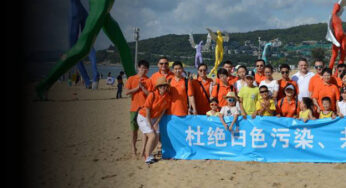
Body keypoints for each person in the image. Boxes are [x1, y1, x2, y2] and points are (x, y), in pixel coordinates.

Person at [137, 77, 171, 164]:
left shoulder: (167, 97)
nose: (163, 87)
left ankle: (148, 154)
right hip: (144, 117)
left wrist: (156, 122)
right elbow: (147, 110)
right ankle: (147, 157)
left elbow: (162, 111)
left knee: (156, 137)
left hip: (155, 118)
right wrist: (150, 124)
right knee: (152, 135)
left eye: (164, 86)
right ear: (158, 87)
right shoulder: (152, 94)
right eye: (161, 86)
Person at [125, 60, 151, 157]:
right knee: (133, 130)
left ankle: (143, 149)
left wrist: (143, 88)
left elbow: (150, 95)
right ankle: (133, 148)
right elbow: (126, 92)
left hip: (144, 109)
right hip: (134, 108)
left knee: (145, 131)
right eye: (141, 67)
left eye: (145, 68)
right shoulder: (131, 79)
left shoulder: (148, 80)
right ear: (138, 68)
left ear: (147, 70)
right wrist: (137, 88)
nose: (143, 70)